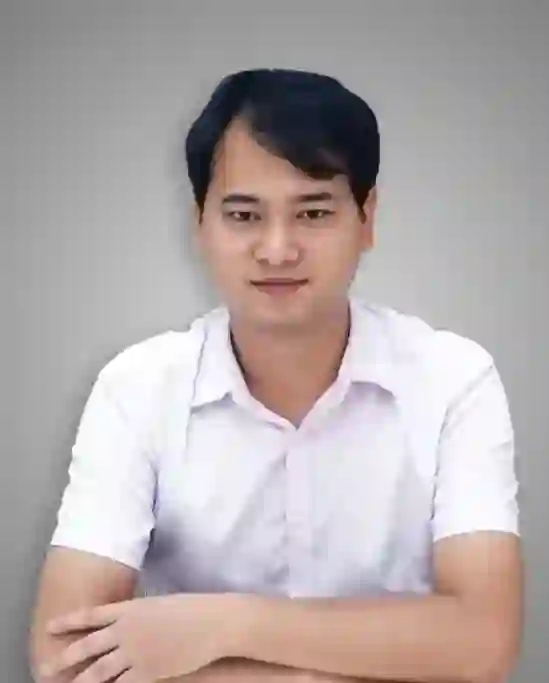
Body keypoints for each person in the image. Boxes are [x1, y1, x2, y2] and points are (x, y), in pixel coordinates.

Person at [29, 68, 522, 683]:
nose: (278, 249)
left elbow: (483, 644)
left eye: (313, 213)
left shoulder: (453, 380)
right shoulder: (136, 388)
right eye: (243, 215)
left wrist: (225, 624)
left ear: (367, 217)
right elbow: (65, 656)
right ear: (199, 223)